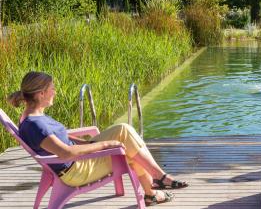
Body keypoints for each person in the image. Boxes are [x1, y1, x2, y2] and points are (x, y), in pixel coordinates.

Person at [8, 71, 189, 207]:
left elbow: (60, 139)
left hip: (78, 162)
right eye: (52, 89)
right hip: (77, 170)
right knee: (130, 149)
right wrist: (105, 144)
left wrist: (87, 143)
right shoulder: (35, 125)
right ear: (41, 94)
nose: (55, 92)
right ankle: (154, 184)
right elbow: (65, 152)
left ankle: (154, 184)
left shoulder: (34, 116)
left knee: (124, 131)